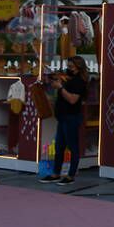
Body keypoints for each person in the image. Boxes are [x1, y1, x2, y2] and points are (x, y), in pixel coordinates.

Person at [39, 57, 89, 185]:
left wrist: (60, 88)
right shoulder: (68, 78)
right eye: (68, 66)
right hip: (62, 117)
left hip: (71, 116)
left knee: (72, 146)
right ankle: (56, 173)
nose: (69, 69)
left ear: (78, 67)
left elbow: (73, 99)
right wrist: (52, 80)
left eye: (71, 67)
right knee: (59, 146)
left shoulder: (79, 81)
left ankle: (70, 175)